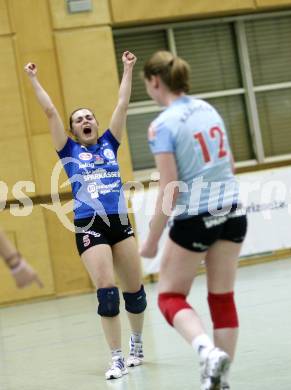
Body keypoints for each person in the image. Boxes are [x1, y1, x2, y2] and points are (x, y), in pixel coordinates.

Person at [24, 51, 147, 380]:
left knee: (134, 292)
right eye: (78, 120)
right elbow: (50, 112)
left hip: (119, 222)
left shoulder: (110, 141)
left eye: (89, 117)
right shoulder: (68, 150)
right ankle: (117, 358)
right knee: (107, 293)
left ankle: (137, 344)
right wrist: (34, 78)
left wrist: (128, 67)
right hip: (90, 225)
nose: (85, 121)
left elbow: (121, 104)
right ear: (73, 130)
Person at [140, 51, 247, 390]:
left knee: (169, 296)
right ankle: (221, 380)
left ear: (155, 81)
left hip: (196, 217)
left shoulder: (162, 125)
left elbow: (170, 189)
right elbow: (229, 165)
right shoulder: (208, 109)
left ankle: (206, 352)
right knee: (222, 297)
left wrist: (153, 239)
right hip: (232, 211)